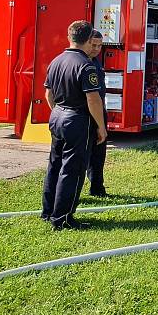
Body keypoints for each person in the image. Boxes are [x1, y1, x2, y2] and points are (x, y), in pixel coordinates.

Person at [42, 20, 107, 230]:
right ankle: (63, 218)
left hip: (58, 115)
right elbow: (93, 100)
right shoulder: (86, 65)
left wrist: (58, 112)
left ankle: (48, 211)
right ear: (88, 40)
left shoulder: (57, 60)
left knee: (54, 166)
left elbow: (48, 94)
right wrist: (101, 126)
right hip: (77, 119)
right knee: (73, 169)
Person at [86, 29, 109, 197]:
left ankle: (97, 188)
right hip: (84, 115)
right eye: (93, 45)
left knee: (99, 154)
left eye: (99, 46)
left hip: (99, 111)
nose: (96, 49)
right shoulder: (82, 63)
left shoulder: (97, 61)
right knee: (80, 157)